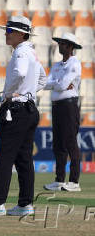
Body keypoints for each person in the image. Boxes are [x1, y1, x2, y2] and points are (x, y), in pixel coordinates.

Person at [0, 16, 46, 216]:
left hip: (16, 109)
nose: (6, 34)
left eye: (9, 31)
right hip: (30, 109)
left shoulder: (21, 53)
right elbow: (42, 78)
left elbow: (21, 73)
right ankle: (25, 204)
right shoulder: (31, 52)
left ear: (21, 34)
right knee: (24, 158)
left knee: (4, 156)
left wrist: (10, 94)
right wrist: (28, 93)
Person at [43, 33, 82, 192]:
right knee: (58, 144)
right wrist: (57, 84)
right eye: (59, 43)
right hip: (57, 106)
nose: (60, 46)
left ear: (70, 47)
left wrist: (57, 84)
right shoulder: (57, 65)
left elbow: (63, 84)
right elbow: (46, 84)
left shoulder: (75, 63)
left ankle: (74, 181)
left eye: (63, 44)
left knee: (70, 142)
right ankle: (59, 180)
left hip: (69, 106)